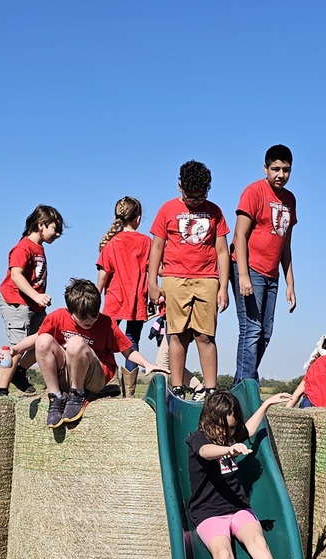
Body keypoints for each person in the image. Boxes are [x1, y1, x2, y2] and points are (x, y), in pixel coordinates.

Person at [186, 389, 295, 559]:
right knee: (223, 555)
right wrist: (228, 448)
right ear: (208, 422)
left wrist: (266, 404)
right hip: (208, 513)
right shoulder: (199, 438)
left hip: (237, 508)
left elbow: (248, 429)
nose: (227, 433)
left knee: (259, 542)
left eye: (231, 428)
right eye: (222, 428)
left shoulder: (233, 434)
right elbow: (206, 451)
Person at [148, 160, 230, 399]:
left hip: (207, 279)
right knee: (177, 334)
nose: (195, 201)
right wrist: (153, 282)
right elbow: (156, 248)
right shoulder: (167, 210)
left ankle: (210, 390)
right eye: (190, 196)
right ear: (179, 186)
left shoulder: (215, 212)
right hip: (175, 279)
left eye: (200, 196)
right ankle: (177, 388)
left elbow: (222, 251)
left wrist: (223, 287)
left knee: (204, 335)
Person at [36, 278, 156, 428]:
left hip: (95, 379)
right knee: (43, 340)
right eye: (82, 317)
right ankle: (56, 397)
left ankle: (77, 394)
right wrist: (16, 352)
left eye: (94, 315)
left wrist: (147, 364)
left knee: (75, 343)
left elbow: (128, 351)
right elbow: (38, 340)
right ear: (70, 311)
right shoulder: (58, 316)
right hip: (69, 373)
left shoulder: (106, 323)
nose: (89, 320)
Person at [231, 144, 298, 383]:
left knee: (265, 333)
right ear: (265, 168)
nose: (281, 175)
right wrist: (243, 276)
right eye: (276, 169)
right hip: (249, 268)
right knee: (251, 330)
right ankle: (245, 385)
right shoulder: (254, 192)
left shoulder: (290, 199)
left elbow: (285, 245)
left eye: (286, 170)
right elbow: (240, 235)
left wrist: (290, 283)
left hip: (272, 274)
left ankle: (244, 380)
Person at [0, 205, 64, 396]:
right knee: (17, 345)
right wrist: (37, 296)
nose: (57, 234)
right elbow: (16, 275)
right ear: (41, 225)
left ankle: (19, 372)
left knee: (46, 338)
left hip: (34, 306)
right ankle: (1, 390)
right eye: (55, 229)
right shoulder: (23, 247)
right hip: (16, 302)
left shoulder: (38, 247)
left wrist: (37, 300)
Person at [96, 196, 152, 398]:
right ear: (138, 218)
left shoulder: (111, 243)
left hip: (113, 300)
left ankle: (107, 381)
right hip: (137, 300)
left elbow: (103, 274)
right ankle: (129, 393)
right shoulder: (146, 242)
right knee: (132, 341)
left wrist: (94, 297)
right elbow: (156, 269)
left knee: (104, 340)